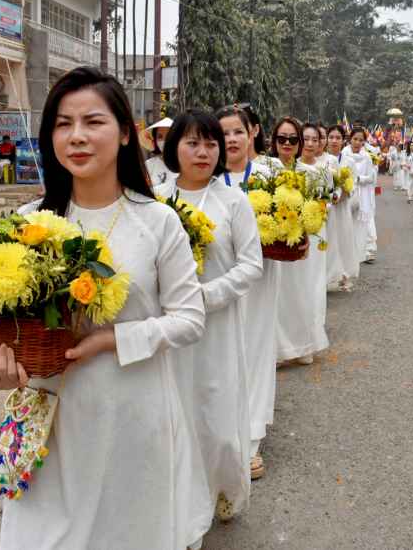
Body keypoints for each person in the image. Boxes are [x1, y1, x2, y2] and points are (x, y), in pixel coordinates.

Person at [0, 66, 211, 549]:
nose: (77, 137)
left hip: (131, 409)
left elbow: (190, 319)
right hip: (47, 417)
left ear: (125, 132)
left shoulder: (157, 222)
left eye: (93, 122)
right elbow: (7, 327)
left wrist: (114, 340)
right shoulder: (28, 223)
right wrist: (2, 366)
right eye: (63, 124)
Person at [156, 110, 263, 526]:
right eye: (192, 143)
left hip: (215, 327)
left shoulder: (232, 200)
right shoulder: (154, 198)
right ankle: (182, 505)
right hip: (166, 329)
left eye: (211, 143)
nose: (203, 152)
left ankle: (223, 485)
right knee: (173, 416)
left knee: (215, 416)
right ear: (174, 148)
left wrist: (206, 296)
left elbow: (250, 264)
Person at [216, 106, 278, 481]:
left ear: (252, 133)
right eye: (223, 133)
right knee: (221, 352)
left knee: (255, 349)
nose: (232, 140)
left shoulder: (269, 175)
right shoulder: (205, 178)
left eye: (238, 131)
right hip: (217, 280)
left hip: (260, 277)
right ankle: (221, 431)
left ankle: (252, 435)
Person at [271, 118, 330, 366]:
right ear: (273, 141)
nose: (287, 143)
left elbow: (319, 206)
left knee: (301, 291)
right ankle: (278, 348)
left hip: (300, 241)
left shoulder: (308, 172)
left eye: (293, 139)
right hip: (272, 244)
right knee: (276, 295)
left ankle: (303, 343)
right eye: (282, 138)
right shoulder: (267, 168)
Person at [325, 124, 360, 289]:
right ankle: (328, 274)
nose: (334, 141)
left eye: (338, 138)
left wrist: (344, 192)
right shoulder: (322, 159)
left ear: (343, 140)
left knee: (343, 238)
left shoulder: (349, 161)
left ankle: (344, 272)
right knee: (329, 239)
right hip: (326, 207)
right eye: (331, 137)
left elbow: (353, 183)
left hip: (342, 205)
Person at [350, 126, 378, 263]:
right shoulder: (344, 155)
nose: (357, 142)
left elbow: (371, 178)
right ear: (350, 139)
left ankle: (366, 250)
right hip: (348, 193)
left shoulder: (367, 157)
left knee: (363, 223)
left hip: (362, 193)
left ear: (364, 142)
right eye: (355, 139)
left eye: (360, 140)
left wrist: (359, 179)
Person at [144, 117, 175, 186]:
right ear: (155, 140)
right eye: (160, 137)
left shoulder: (186, 164)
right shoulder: (148, 165)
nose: (164, 140)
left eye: (169, 135)